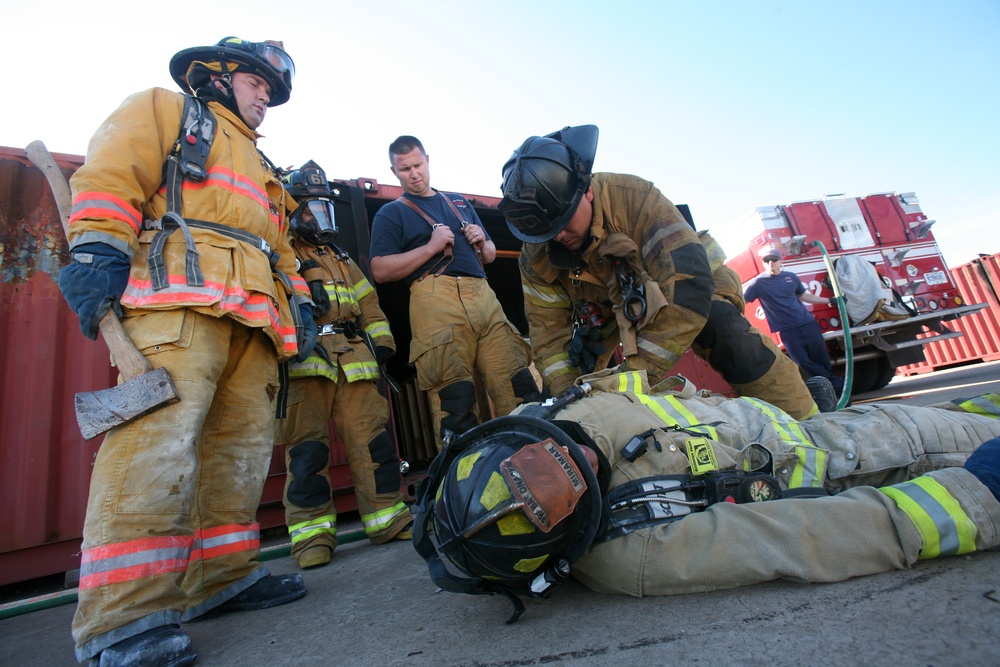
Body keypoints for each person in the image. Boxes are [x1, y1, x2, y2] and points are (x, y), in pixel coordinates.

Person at [58, 37, 313, 667]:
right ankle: (122, 619)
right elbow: (112, 171)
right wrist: (96, 248)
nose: (266, 99)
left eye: (272, 91)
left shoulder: (262, 167)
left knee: (239, 456)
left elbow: (277, 246)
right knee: (156, 447)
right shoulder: (168, 112)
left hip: (253, 320)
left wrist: (301, 300)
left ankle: (222, 578)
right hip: (179, 302)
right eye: (258, 84)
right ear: (220, 76)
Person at [412, 369, 1000, 621]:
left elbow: (656, 394)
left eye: (539, 456)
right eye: (567, 491)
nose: (578, 459)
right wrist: (977, 496)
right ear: (565, 537)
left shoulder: (548, 412)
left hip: (820, 421)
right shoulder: (637, 551)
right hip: (872, 461)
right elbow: (807, 538)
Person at [498, 125, 828, 420]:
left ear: (587, 191)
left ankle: (813, 422)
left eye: (564, 221)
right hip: (613, 305)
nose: (557, 236)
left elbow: (689, 290)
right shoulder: (536, 255)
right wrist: (573, 399)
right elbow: (548, 338)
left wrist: (633, 379)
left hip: (689, 284)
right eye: (546, 230)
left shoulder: (635, 198)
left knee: (726, 333)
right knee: (572, 379)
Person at [277, 160, 413, 570]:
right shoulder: (279, 252)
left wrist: (382, 343)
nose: (321, 218)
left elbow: (368, 302)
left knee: (374, 443)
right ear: (291, 210)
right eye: (311, 210)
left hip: (354, 358)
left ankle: (387, 519)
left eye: (325, 209)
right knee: (307, 454)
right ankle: (312, 538)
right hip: (305, 361)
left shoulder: (338, 255)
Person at [369, 136, 542, 449]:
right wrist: (431, 247)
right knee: (455, 402)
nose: (414, 173)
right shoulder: (391, 214)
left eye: (418, 165)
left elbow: (489, 254)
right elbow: (380, 270)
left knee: (519, 384)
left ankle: (538, 464)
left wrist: (482, 241)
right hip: (435, 300)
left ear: (428, 160)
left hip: (483, 297)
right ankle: (465, 485)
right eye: (405, 168)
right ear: (394, 172)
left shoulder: (458, 203)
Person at [744, 245, 845, 407]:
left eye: (774, 260)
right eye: (767, 261)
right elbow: (743, 301)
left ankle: (834, 394)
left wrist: (829, 300)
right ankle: (838, 386)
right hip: (788, 331)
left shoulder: (791, 277)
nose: (771, 264)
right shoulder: (758, 283)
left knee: (822, 360)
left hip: (807, 324)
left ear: (780, 261)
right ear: (763, 263)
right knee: (804, 362)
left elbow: (804, 296)